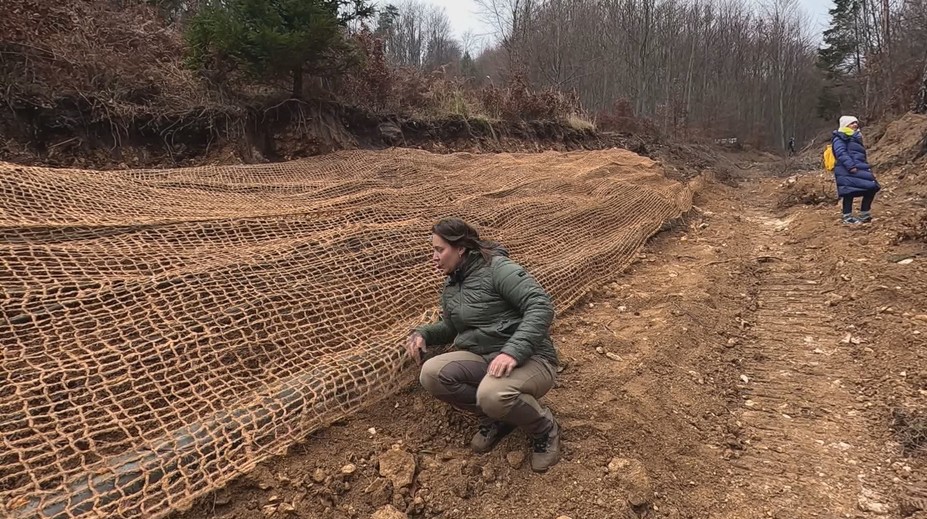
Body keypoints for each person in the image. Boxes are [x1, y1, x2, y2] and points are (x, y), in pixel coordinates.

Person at [405, 218, 561, 472]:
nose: (434, 257)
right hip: (487, 358)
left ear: (461, 248)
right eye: (433, 250)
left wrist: (513, 351)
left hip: (533, 358)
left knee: (493, 394)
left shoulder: (498, 269)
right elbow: (452, 327)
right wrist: (424, 333)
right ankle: (497, 419)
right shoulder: (452, 285)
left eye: (439, 249)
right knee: (432, 374)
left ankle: (545, 429)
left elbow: (540, 305)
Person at [831, 116, 880, 224]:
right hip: (847, 169)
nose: (855, 125)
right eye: (852, 123)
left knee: (872, 187)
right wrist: (850, 166)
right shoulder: (840, 137)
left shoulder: (855, 137)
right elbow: (840, 153)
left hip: (859, 167)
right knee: (849, 192)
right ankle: (847, 217)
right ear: (845, 125)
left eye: (856, 123)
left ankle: (864, 214)